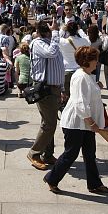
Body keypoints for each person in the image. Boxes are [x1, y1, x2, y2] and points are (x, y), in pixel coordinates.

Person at [43, 46, 108, 194]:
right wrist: (91, 122)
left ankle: (94, 184)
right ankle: (51, 178)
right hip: (77, 123)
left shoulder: (86, 75)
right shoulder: (81, 76)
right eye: (95, 59)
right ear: (88, 61)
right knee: (71, 154)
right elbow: (80, 103)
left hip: (84, 123)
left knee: (89, 154)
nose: (97, 62)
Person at [27, 20, 64, 171]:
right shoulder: (38, 43)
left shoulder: (51, 43)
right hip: (45, 88)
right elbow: (50, 53)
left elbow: (58, 64)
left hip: (54, 88)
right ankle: (34, 153)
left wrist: (61, 88)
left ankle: (47, 154)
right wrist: (55, 33)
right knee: (49, 124)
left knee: (49, 122)